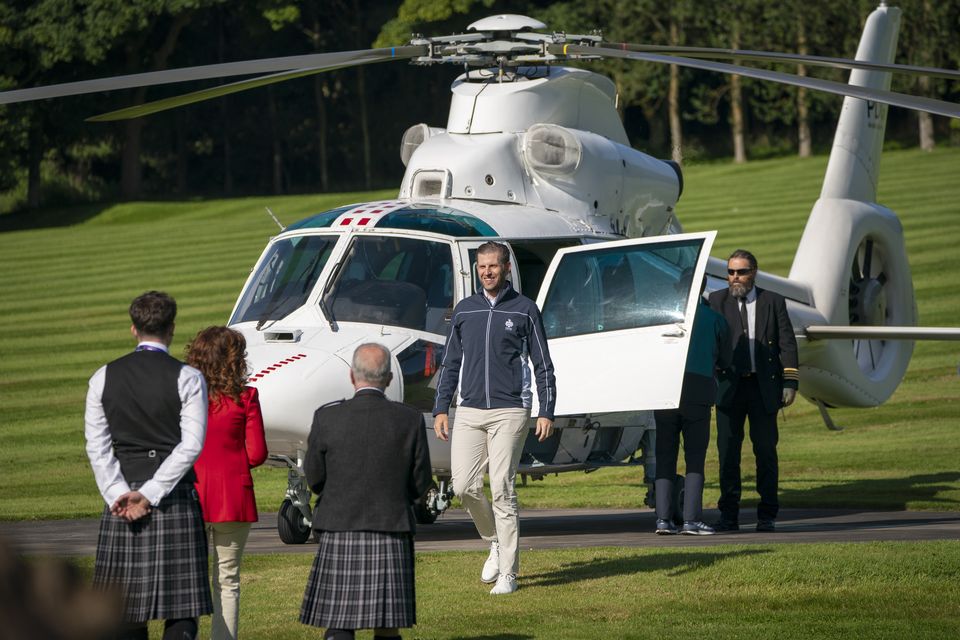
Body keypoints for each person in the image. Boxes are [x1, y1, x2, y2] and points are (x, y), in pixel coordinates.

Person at [84, 291, 211, 640]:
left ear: (133, 330)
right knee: (182, 610)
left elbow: (97, 447)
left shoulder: (102, 377)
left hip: (122, 503)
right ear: (171, 329)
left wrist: (120, 494)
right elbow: (191, 445)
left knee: (123, 612)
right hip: (174, 499)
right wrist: (150, 493)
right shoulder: (188, 376)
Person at [432, 241, 557, 595]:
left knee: (502, 486)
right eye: (481, 267)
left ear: (505, 268)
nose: (487, 272)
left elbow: (543, 365)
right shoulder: (464, 311)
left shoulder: (525, 310)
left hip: (510, 409)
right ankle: (495, 541)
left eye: (493, 266)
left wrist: (546, 410)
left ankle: (509, 574)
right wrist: (441, 407)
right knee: (463, 486)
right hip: (469, 409)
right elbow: (450, 364)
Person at [300, 343, 433, 640]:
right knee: (387, 625)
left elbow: (315, 477)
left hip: (338, 525)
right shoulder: (408, 419)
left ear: (351, 376)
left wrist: (336, 496)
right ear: (388, 379)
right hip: (390, 526)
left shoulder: (327, 417)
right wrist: (399, 500)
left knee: (339, 620)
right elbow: (420, 480)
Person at [186, 326, 268, 640]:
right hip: (234, 495)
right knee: (228, 581)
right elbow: (257, 452)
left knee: (191, 582)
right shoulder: (246, 396)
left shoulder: (187, 397)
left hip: (191, 495)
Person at [708, 250, 799, 532]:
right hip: (728, 389)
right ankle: (729, 515)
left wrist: (790, 382)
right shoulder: (715, 301)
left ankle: (767, 514)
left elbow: (787, 343)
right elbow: (709, 345)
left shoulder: (773, 301)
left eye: (742, 272)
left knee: (765, 452)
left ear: (754, 273)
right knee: (728, 454)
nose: (735, 277)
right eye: (731, 272)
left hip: (763, 388)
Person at [654, 274, 732, 535]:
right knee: (694, 459)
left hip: (664, 389)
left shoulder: (661, 316)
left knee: (665, 456)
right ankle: (691, 520)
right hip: (697, 391)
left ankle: (663, 520)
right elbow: (725, 360)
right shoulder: (715, 319)